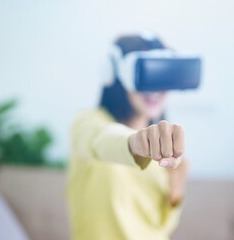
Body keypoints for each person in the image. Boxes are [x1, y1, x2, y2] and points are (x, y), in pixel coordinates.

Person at [66, 33, 189, 240]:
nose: (155, 89)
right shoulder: (88, 123)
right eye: (145, 75)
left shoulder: (164, 147)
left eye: (161, 76)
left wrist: (176, 191)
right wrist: (135, 143)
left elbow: (161, 227)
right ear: (113, 74)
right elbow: (102, 140)